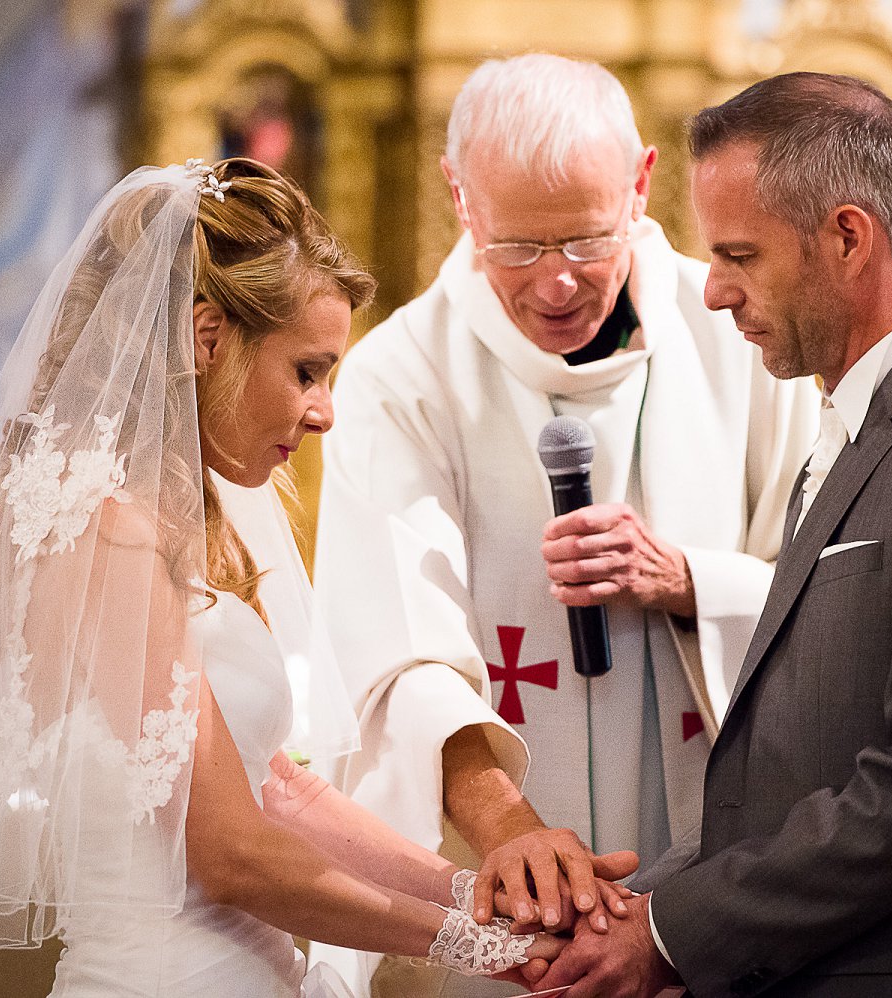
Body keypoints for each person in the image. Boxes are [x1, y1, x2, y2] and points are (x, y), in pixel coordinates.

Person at [0, 158, 561, 996]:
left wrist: (477, 895)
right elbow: (231, 854)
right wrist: (483, 947)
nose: (324, 410)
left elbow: (277, 791)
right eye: (307, 370)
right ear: (207, 336)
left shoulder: (172, 516)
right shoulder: (108, 531)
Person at [533, 73, 892, 998]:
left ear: (846, 237)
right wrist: (638, 907)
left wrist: (671, 935)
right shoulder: (846, 429)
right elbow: (794, 780)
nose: (712, 293)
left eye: (740, 255)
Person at [313, 53, 820, 994]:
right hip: (506, 890)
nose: (555, 284)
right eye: (517, 248)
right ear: (460, 198)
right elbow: (392, 647)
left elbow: (829, 582)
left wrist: (689, 583)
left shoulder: (743, 339)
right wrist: (513, 837)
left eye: (587, 240)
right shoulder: (400, 379)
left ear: (640, 184)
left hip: (717, 878)